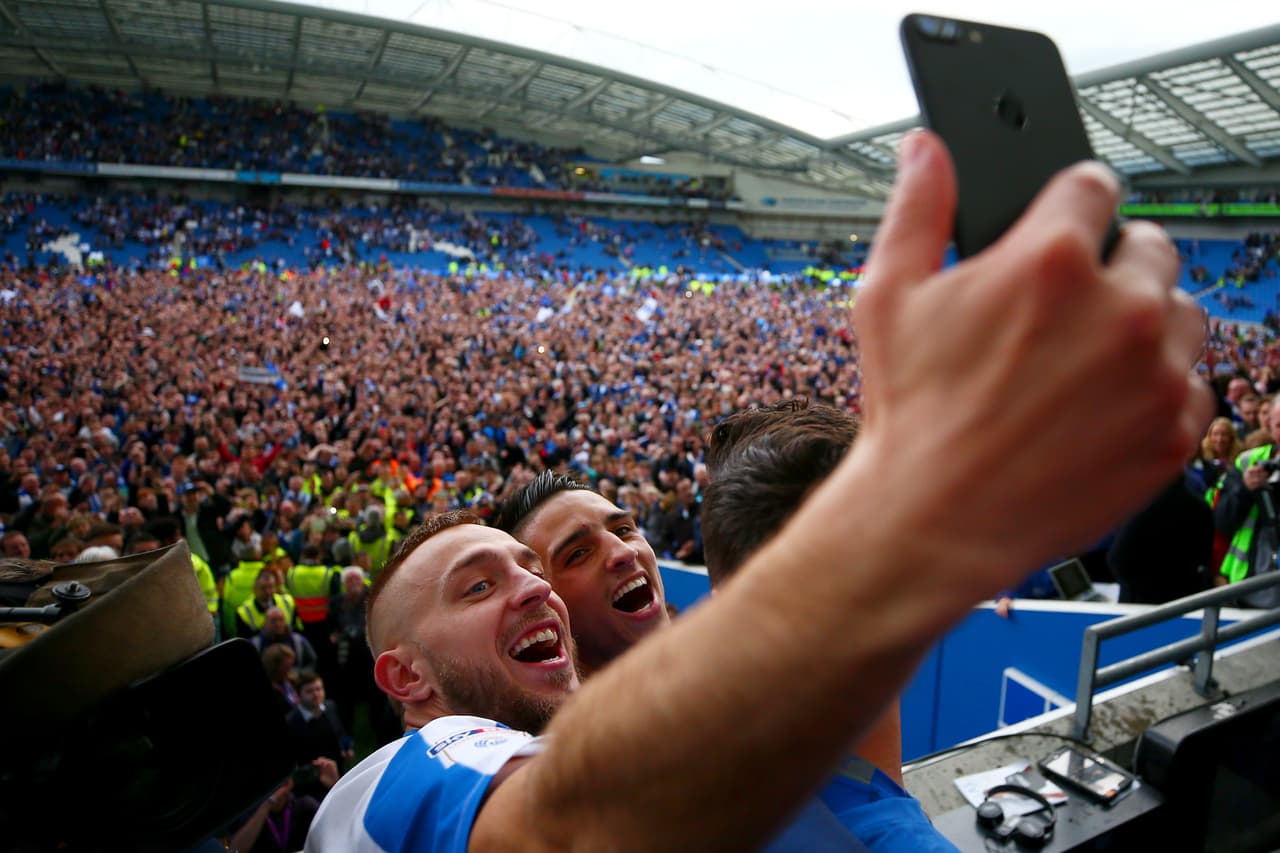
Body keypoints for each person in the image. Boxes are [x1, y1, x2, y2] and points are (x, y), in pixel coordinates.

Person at [306, 133, 1210, 851]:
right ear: (404, 675)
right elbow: (575, 826)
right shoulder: (406, 771)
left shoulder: (739, 760)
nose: (535, 583)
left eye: (531, 566)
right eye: (480, 583)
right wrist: (919, 499)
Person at [1213, 394, 1280, 607]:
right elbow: (1222, 521)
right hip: (1249, 588)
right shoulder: (1248, 461)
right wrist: (1245, 490)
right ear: (1269, 424)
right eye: (1279, 425)